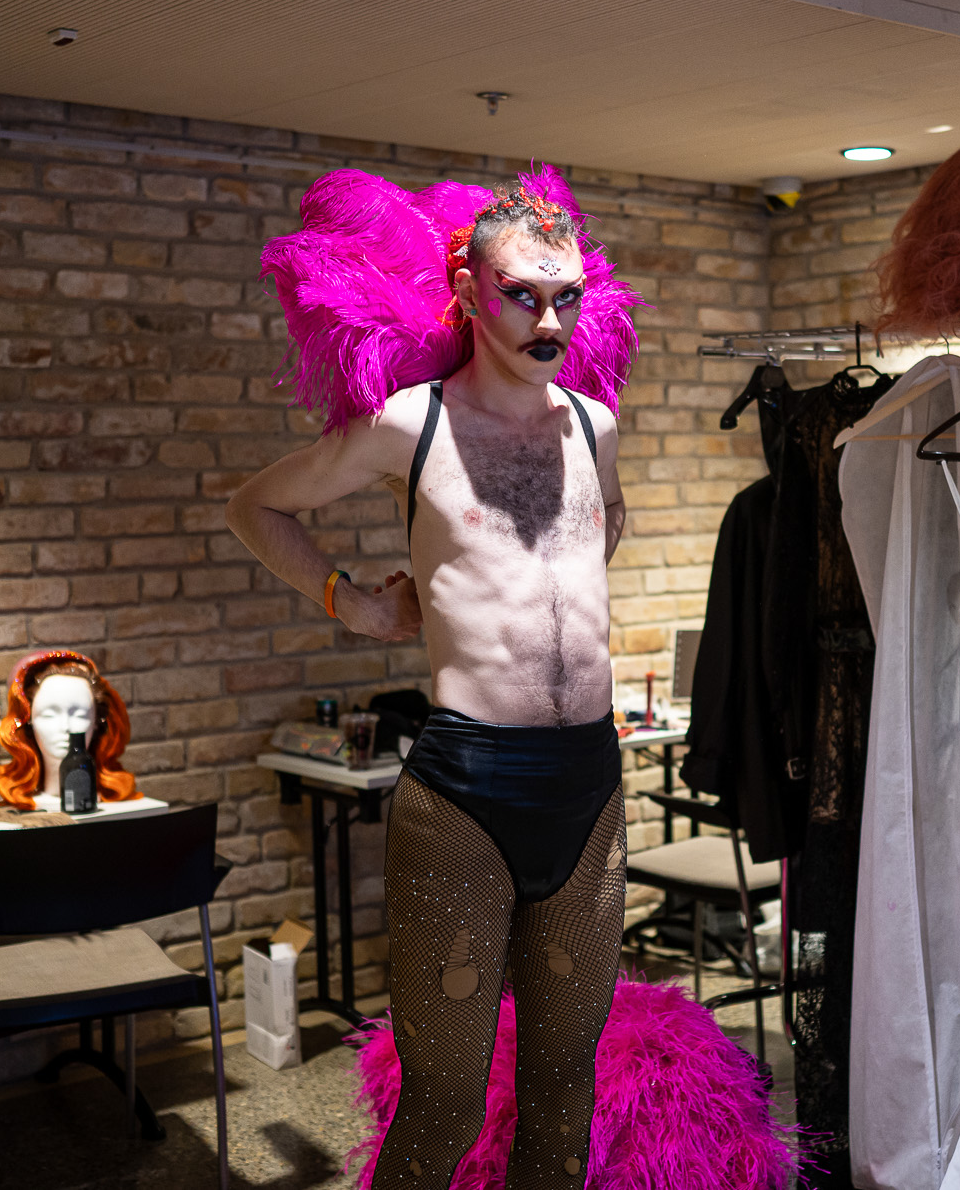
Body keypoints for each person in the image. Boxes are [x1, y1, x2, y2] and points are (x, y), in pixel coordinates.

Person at [228, 167, 639, 1189]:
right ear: (467, 290)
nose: (550, 320)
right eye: (522, 296)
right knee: (444, 1101)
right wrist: (355, 603)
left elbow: (605, 526)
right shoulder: (407, 424)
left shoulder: (594, 424)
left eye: (566, 297)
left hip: (589, 786)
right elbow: (255, 505)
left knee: (563, 1092)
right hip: (466, 792)